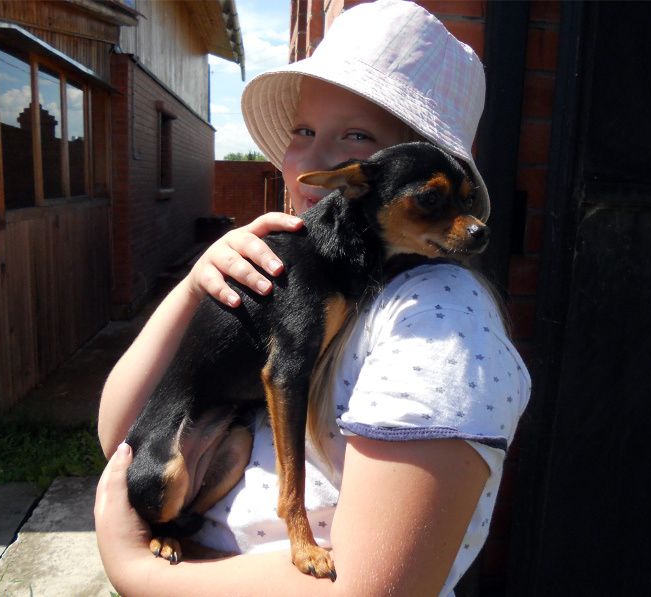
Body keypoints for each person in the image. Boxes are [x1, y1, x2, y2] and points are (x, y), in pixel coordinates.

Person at [94, 1, 530, 596]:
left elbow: (374, 589)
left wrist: (135, 570)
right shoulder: (300, 268)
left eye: (357, 137)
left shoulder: (439, 326)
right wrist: (197, 284)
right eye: (303, 131)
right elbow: (122, 434)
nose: (315, 161)